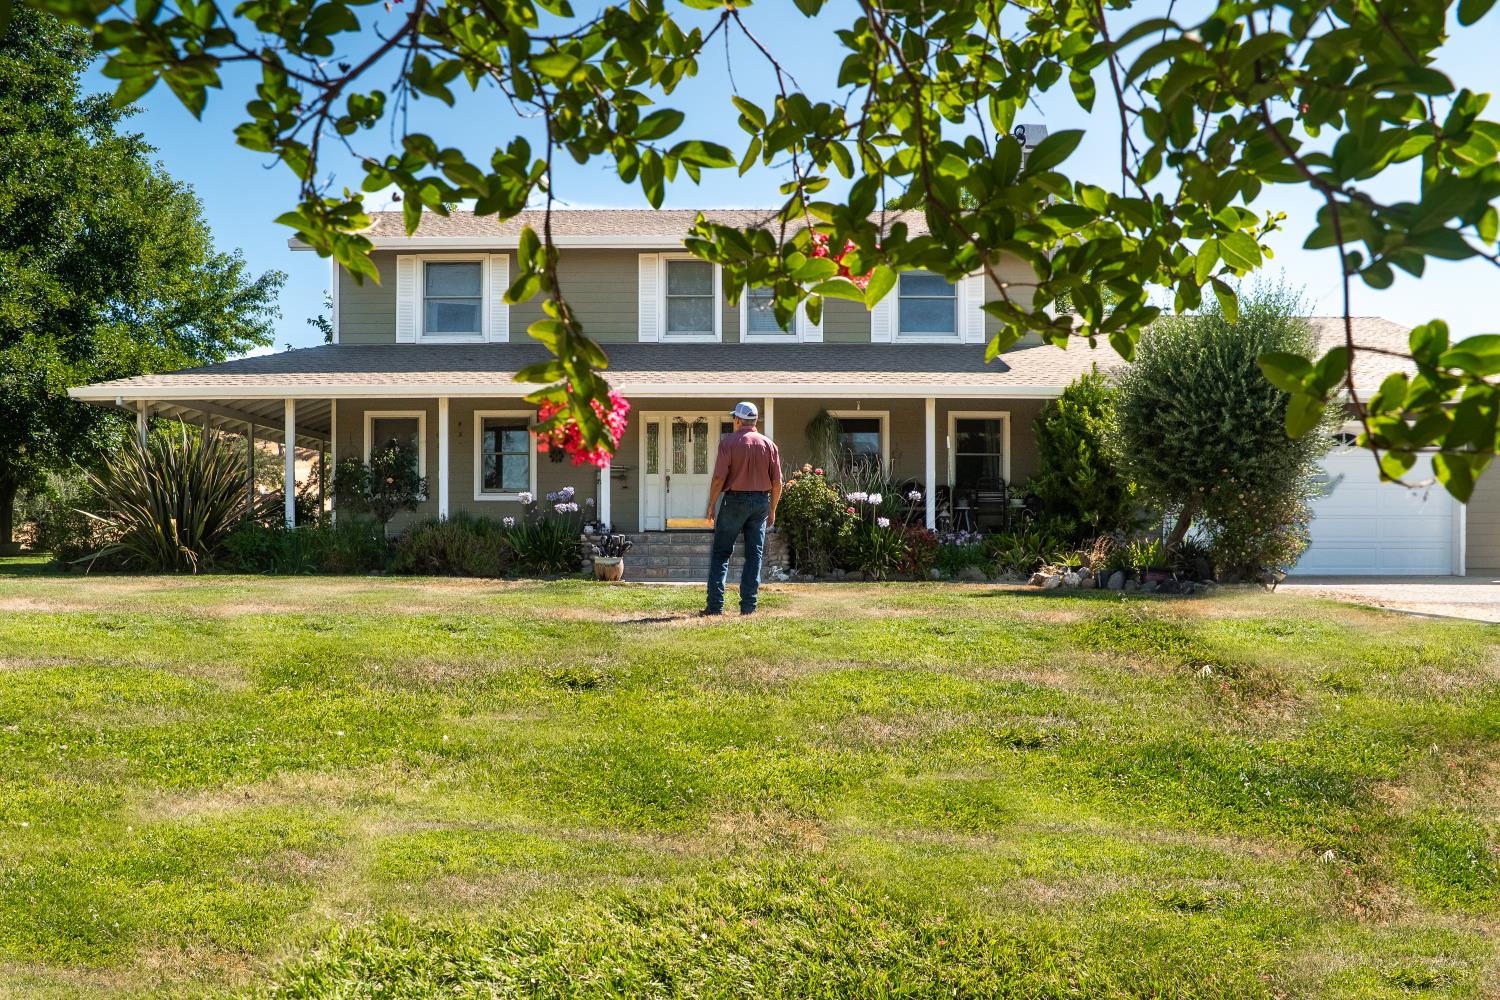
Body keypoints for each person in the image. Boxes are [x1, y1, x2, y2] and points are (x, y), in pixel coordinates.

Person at [702, 401, 782, 616]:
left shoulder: (728, 443)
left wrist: (711, 505)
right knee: (754, 555)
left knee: (721, 553)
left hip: (735, 501)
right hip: (760, 503)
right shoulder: (769, 444)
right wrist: (773, 509)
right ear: (755, 421)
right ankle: (749, 607)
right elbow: (777, 482)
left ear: (737, 420)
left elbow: (719, 478)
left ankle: (715, 606)